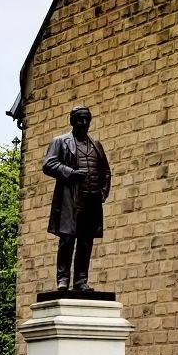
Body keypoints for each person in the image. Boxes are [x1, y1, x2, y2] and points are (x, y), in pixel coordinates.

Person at [42, 105, 111, 292]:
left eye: (86, 120)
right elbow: (48, 164)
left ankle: (81, 280)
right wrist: (71, 173)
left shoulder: (96, 145)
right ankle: (63, 279)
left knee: (86, 241)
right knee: (67, 239)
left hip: (92, 201)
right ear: (72, 121)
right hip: (71, 200)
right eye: (80, 119)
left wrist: (103, 191)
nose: (83, 123)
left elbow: (105, 171)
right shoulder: (60, 142)